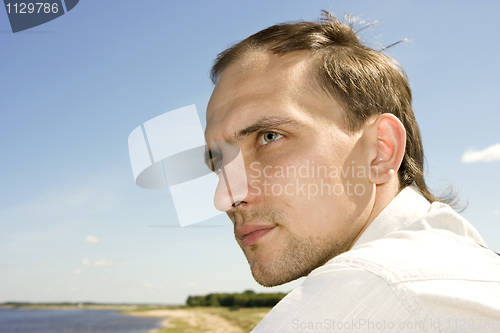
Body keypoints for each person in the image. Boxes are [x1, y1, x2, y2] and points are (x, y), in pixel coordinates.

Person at [204, 11, 500, 332]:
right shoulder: (466, 267)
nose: (225, 197)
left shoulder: (371, 290)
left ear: (380, 150)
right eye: (219, 161)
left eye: (269, 137)